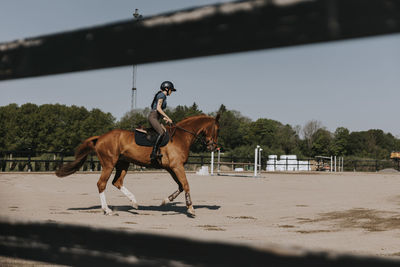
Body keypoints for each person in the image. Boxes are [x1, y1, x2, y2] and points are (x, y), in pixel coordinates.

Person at [148, 81, 176, 160]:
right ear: (166, 89)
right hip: (153, 117)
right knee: (161, 132)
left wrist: (165, 118)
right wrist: (168, 117)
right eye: (171, 90)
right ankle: (153, 153)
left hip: (156, 117)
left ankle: (160, 151)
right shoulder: (162, 95)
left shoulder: (162, 96)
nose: (171, 92)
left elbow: (157, 110)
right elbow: (158, 109)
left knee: (165, 132)